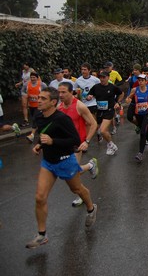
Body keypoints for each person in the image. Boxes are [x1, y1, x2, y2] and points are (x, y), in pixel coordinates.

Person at [26, 87, 97, 249]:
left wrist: (53, 142)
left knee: (77, 189)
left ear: (53, 102)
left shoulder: (62, 119)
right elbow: (43, 134)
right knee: (40, 197)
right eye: (39, 97)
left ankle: (91, 208)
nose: (39, 100)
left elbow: (74, 140)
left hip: (65, 160)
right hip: (48, 162)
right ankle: (42, 235)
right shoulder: (38, 116)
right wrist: (38, 145)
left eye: (43, 98)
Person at [57, 82, 99, 207]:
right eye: (59, 92)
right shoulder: (59, 108)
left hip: (77, 144)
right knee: (67, 172)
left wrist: (86, 141)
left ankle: (80, 195)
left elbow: (93, 124)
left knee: (72, 172)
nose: (60, 95)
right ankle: (90, 165)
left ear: (71, 92)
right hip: (64, 145)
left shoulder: (80, 106)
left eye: (63, 92)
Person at [87, 70, 123, 156]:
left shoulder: (112, 87)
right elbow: (89, 95)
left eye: (104, 77)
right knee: (102, 130)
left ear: (108, 78)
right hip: (99, 111)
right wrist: (89, 97)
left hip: (109, 111)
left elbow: (121, 94)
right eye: (100, 77)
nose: (102, 79)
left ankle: (110, 145)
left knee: (102, 130)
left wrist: (118, 102)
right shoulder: (96, 87)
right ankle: (111, 145)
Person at [125, 74, 148, 161]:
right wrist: (127, 100)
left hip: (147, 113)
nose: (140, 82)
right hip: (138, 113)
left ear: (146, 81)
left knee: (142, 132)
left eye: (142, 80)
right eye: (139, 80)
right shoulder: (135, 90)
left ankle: (140, 153)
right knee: (144, 130)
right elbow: (129, 98)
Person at [23, 72, 47, 143]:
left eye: (34, 77)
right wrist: (25, 96)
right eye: (31, 77)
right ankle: (43, 134)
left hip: (40, 106)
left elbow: (47, 93)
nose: (33, 79)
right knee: (37, 120)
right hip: (31, 105)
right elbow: (22, 91)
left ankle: (32, 135)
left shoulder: (42, 84)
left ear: (37, 78)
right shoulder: (26, 84)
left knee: (34, 119)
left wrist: (40, 97)